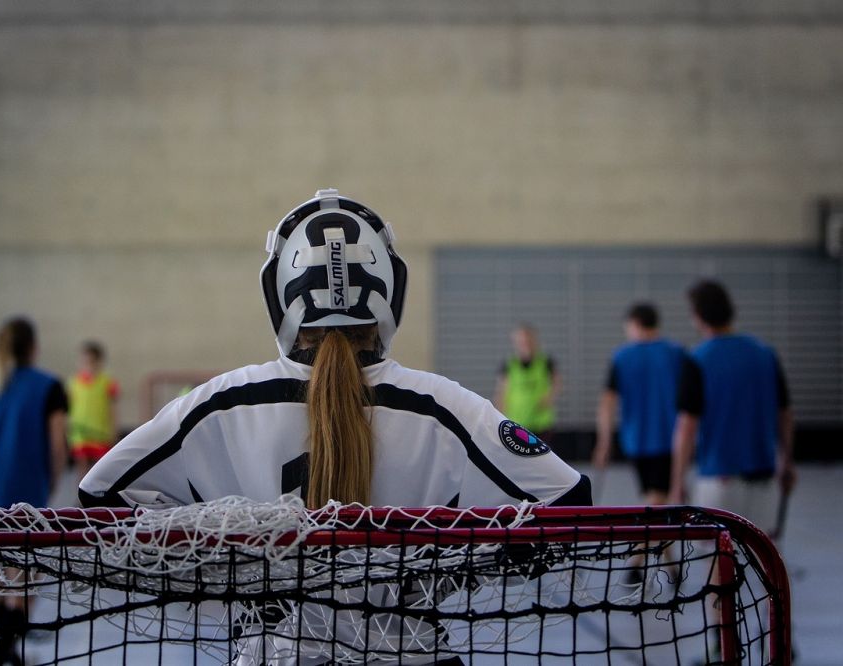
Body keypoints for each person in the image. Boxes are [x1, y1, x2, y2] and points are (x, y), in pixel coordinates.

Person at [79, 189, 590, 664]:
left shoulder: (220, 405)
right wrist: (444, 574)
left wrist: (234, 571)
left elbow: (103, 494)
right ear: (390, 290)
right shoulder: (445, 409)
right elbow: (568, 501)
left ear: (280, 294)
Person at [0, 316, 69, 666]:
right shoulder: (49, 386)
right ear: (34, 347)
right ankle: (5, 650)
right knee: (26, 574)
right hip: (25, 488)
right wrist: (52, 482)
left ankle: (4, 647)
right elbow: (57, 445)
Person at [669, 280, 796, 534]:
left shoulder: (697, 359)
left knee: (716, 553)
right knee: (762, 553)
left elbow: (686, 427)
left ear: (697, 316)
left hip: (719, 478)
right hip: (764, 475)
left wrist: (677, 481)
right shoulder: (765, 354)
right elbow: (784, 413)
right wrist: (787, 461)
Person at [593, 303, 687, 507]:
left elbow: (608, 402)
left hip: (637, 438)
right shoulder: (676, 353)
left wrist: (604, 443)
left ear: (635, 324)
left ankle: (654, 527)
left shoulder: (622, 357)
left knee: (655, 496)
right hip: (671, 437)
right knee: (660, 496)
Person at [493, 324, 560, 441]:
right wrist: (498, 416)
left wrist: (549, 397)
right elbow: (501, 392)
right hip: (516, 422)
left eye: (528, 341)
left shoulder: (545, 362)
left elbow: (557, 382)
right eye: (521, 342)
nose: (525, 345)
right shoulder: (509, 364)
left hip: (541, 422)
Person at [67, 340, 119, 483]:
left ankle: (98, 492)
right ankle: (81, 492)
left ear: (99, 362)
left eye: (91, 362)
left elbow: (113, 409)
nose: (87, 366)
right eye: (84, 362)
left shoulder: (108, 383)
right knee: (81, 467)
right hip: (80, 432)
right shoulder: (73, 383)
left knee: (100, 468)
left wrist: (114, 429)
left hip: (100, 432)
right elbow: (69, 408)